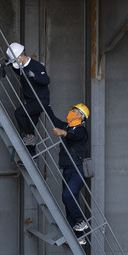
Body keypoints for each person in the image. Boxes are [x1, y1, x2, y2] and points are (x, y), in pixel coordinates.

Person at [43, 101, 90, 243]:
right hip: (67, 169)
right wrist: (46, 105)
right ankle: (78, 236)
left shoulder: (80, 130)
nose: (71, 112)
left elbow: (73, 137)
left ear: (81, 116)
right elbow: (54, 120)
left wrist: (63, 133)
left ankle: (81, 221)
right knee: (69, 199)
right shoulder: (67, 126)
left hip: (77, 169)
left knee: (68, 195)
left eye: (75, 111)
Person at [5, 43, 50, 154]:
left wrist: (35, 76)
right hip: (31, 101)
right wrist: (9, 64)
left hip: (40, 101)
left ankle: (30, 139)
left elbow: (46, 80)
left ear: (21, 56)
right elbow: (18, 71)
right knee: (30, 129)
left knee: (19, 113)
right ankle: (32, 156)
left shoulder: (37, 66)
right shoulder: (21, 67)